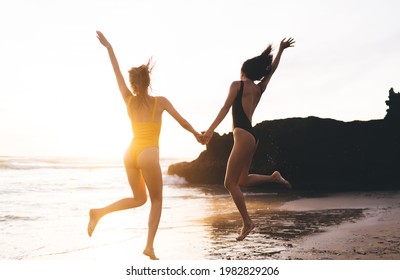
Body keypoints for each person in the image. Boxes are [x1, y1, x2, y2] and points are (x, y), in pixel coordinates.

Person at [88, 31, 202, 260]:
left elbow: (117, 73)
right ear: (149, 83)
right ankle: (149, 246)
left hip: (130, 152)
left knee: (140, 199)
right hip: (148, 153)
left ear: (133, 84)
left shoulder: (128, 99)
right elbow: (182, 121)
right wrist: (197, 135)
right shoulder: (160, 102)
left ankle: (99, 212)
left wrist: (110, 48)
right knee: (157, 200)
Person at [202, 38, 295, 241]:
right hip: (252, 137)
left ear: (243, 71)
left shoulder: (238, 85)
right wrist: (280, 51)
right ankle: (273, 177)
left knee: (229, 183)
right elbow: (272, 71)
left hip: (243, 135)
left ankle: (247, 222)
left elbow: (225, 108)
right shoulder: (259, 89)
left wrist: (209, 130)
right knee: (242, 180)